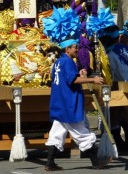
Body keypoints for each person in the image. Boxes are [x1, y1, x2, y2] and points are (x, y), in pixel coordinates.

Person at [45, 38, 107, 171]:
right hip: (68, 103)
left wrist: (80, 74)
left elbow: (68, 77)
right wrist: (92, 79)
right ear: (67, 49)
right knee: (81, 132)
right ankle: (96, 161)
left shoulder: (58, 62)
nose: (77, 49)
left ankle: (50, 163)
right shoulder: (67, 61)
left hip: (59, 101)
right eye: (74, 47)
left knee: (56, 133)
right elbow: (72, 80)